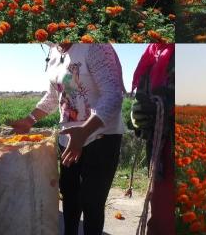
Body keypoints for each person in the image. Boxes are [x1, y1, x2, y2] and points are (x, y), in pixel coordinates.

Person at [10, 43, 126, 235]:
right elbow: (54, 96)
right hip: (70, 138)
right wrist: (29, 120)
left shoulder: (95, 47)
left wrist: (84, 130)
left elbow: (113, 95)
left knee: (92, 202)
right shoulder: (55, 53)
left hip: (100, 136)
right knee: (70, 197)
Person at [130, 44, 175, 235]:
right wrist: (138, 118)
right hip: (158, 149)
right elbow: (144, 96)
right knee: (160, 210)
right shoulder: (152, 53)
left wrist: (166, 107)